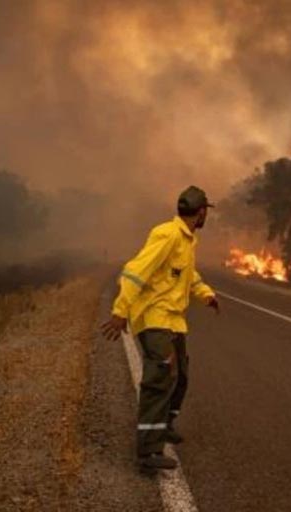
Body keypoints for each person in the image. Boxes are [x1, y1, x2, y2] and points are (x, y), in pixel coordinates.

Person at [101, 185, 220, 473]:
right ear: (201, 212)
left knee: (181, 377)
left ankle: (164, 425)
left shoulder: (188, 239)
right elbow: (135, 271)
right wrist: (120, 311)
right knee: (160, 378)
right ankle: (148, 451)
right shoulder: (166, 234)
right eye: (207, 211)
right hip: (154, 317)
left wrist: (206, 294)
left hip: (173, 319)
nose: (207, 216)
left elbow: (188, 275)